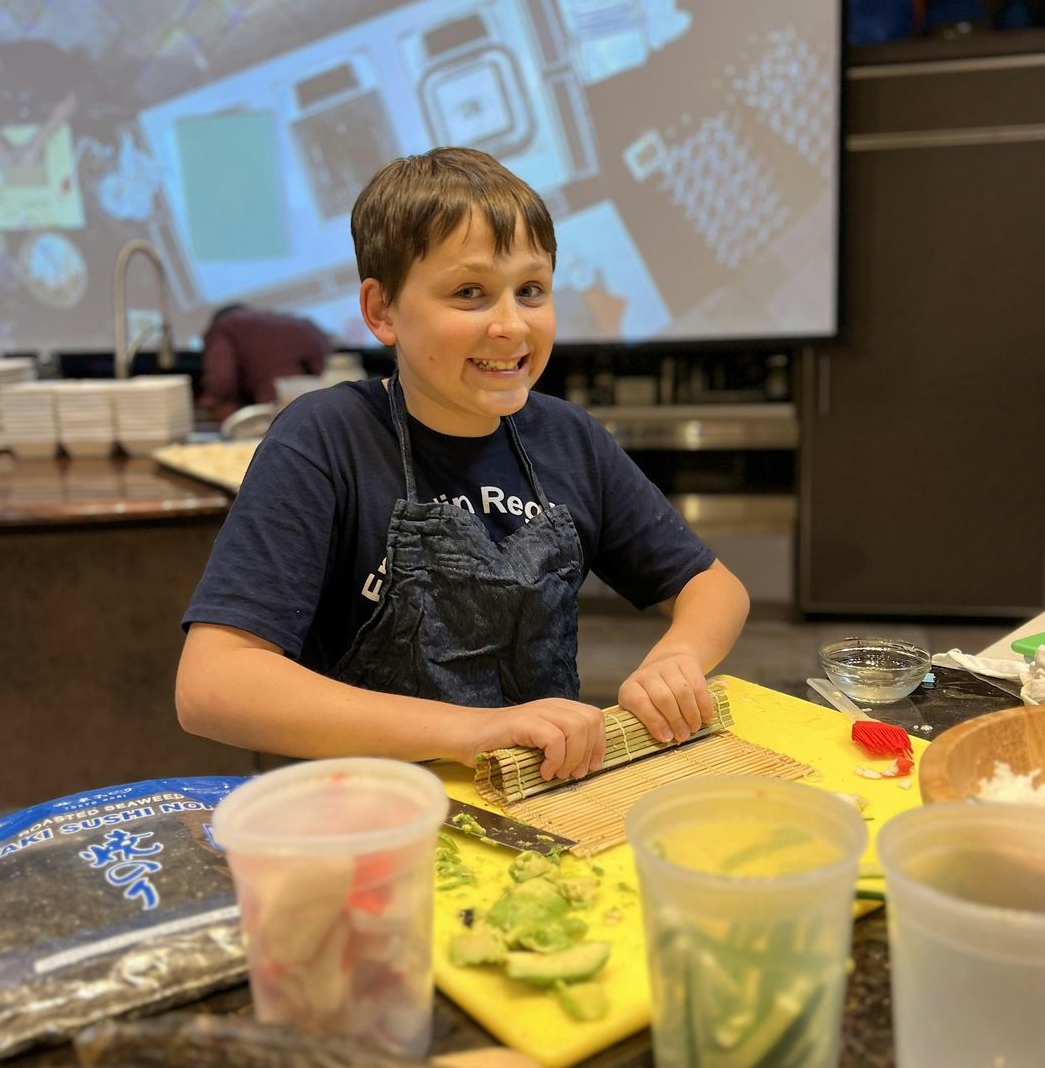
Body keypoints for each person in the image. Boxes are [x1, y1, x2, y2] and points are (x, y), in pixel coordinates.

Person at [176, 147, 750, 782]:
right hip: (373, 807)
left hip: (540, 793)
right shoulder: (324, 440)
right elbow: (213, 684)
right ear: (381, 311)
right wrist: (473, 731)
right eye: (469, 293)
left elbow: (714, 588)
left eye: (530, 291)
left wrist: (676, 659)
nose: (511, 326)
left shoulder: (569, 440)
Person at [197, 303, 334, 421]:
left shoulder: (223, 325)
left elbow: (221, 379)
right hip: (326, 405)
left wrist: (211, 403)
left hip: (276, 408)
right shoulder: (302, 323)